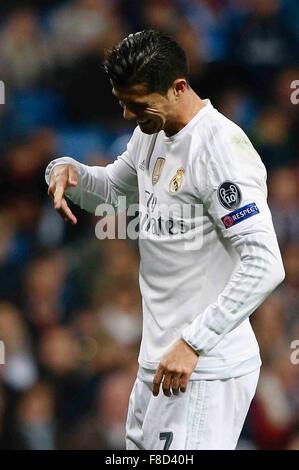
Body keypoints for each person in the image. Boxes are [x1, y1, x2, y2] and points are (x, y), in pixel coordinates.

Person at [45, 30, 285, 450]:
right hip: (156, 362)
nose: (126, 114)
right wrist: (66, 170)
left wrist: (194, 344)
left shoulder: (219, 151)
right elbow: (114, 191)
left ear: (178, 87)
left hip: (203, 369)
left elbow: (265, 263)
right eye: (122, 102)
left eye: (136, 104)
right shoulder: (152, 129)